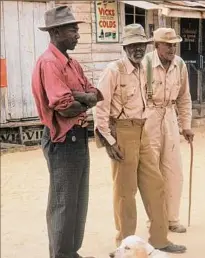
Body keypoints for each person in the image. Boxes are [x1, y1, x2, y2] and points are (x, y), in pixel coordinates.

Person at [93, 24, 186, 256]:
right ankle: (125, 245)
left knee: (156, 185)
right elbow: (100, 106)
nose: (137, 49)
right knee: (126, 192)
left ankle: (160, 239)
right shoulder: (114, 70)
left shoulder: (145, 69)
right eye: (132, 45)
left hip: (143, 129)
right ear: (125, 47)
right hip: (122, 132)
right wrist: (108, 140)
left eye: (140, 45)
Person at [31, 6, 103, 258]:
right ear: (56, 31)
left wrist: (80, 97)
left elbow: (96, 93)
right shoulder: (50, 63)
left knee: (77, 201)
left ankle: (71, 253)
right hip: (62, 140)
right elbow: (64, 107)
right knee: (63, 203)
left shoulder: (71, 63)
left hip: (78, 138)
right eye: (73, 29)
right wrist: (82, 99)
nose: (77, 35)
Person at [142, 28, 194, 233]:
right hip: (149, 117)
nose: (172, 48)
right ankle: (154, 220)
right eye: (167, 44)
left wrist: (186, 125)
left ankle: (172, 219)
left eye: (174, 44)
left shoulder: (180, 65)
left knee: (173, 170)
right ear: (157, 45)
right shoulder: (145, 63)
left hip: (170, 115)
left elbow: (184, 97)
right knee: (151, 171)